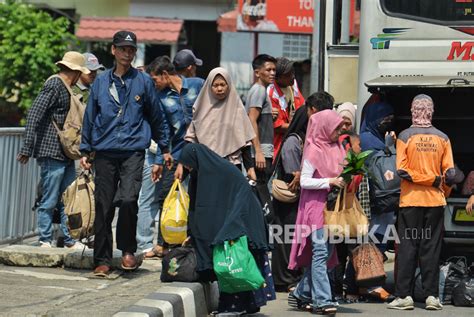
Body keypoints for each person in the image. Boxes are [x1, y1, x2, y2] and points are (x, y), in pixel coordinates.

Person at [79, 31, 171, 277]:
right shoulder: (100, 82)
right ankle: (102, 259)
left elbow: (157, 117)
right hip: (105, 150)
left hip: (133, 150)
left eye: (131, 49)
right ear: (113, 50)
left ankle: (128, 250)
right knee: (104, 205)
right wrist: (85, 149)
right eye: (122, 49)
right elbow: (90, 116)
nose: (127, 53)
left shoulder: (143, 82)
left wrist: (164, 149)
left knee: (130, 199)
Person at [178, 143, 274, 314]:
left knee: (236, 264)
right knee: (231, 263)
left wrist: (231, 226)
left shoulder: (224, 171)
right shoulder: (200, 174)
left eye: (188, 163)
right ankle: (244, 306)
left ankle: (235, 307)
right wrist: (192, 232)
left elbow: (241, 197)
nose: (187, 167)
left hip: (245, 218)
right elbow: (197, 208)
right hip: (232, 220)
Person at [17, 51, 90, 249]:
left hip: (63, 152)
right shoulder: (55, 84)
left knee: (68, 198)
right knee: (50, 198)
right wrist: (27, 147)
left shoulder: (67, 87)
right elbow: (34, 113)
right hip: (51, 151)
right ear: (75, 71)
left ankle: (69, 240)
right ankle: (45, 239)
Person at [388, 94, 455, 311]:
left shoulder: (405, 136)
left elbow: (402, 171)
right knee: (431, 249)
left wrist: (427, 180)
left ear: (413, 110)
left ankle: (404, 296)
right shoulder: (443, 138)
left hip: (410, 202)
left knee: (408, 247)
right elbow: (450, 173)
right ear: (431, 110)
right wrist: (438, 186)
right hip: (435, 202)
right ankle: (432, 296)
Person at [137, 56, 204, 258]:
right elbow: (163, 130)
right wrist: (159, 160)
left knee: (199, 198)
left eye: (155, 79)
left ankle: (194, 241)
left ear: (165, 75)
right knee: (166, 197)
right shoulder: (160, 97)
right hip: (174, 155)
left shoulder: (198, 85)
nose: (153, 84)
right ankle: (163, 243)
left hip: (201, 153)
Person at [271, 92, 334, 293]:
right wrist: (300, 173)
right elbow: (294, 173)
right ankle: (286, 279)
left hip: (304, 195)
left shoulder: (316, 142)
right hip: (290, 196)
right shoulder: (293, 141)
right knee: (287, 237)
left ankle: (296, 279)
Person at [288, 110, 346, 315]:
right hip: (315, 208)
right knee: (321, 252)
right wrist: (329, 181)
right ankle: (322, 300)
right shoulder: (313, 150)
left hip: (332, 207)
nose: (340, 131)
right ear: (324, 127)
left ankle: (301, 293)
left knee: (328, 253)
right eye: (337, 127)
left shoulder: (338, 147)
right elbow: (304, 181)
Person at [184, 67, 256, 179]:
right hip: (204, 167)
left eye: (223, 84)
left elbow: (245, 142)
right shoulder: (200, 109)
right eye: (215, 85)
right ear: (209, 86)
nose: (219, 89)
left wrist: (250, 168)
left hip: (231, 166)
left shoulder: (237, 109)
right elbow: (191, 140)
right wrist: (183, 164)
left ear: (229, 85)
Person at [359, 101, 396, 302]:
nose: (388, 121)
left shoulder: (377, 137)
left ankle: (360, 284)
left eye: (391, 118)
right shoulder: (367, 140)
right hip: (374, 201)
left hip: (382, 201)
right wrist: (388, 149)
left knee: (375, 241)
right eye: (384, 117)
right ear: (374, 118)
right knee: (374, 241)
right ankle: (372, 284)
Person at [246, 54, 277, 184]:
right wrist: (258, 152)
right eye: (268, 70)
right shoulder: (259, 90)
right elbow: (251, 120)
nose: (272, 73)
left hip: (262, 150)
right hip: (260, 152)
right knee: (261, 192)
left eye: (274, 70)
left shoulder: (260, 90)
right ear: (257, 73)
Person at [268, 57, 305, 158]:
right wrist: (300, 125)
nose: (292, 76)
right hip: (278, 146)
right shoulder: (271, 94)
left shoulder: (293, 85)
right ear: (278, 78)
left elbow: (302, 106)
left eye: (292, 72)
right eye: (288, 74)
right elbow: (278, 127)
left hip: (294, 141)